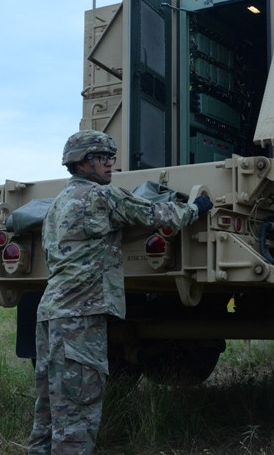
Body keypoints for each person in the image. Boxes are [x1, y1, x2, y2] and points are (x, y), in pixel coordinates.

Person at [27, 130, 212, 454]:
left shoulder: (56, 204)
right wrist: (197, 207)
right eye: (103, 158)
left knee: (48, 407)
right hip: (81, 317)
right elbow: (157, 214)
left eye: (111, 158)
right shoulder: (103, 197)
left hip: (50, 313)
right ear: (82, 162)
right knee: (79, 409)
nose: (110, 164)